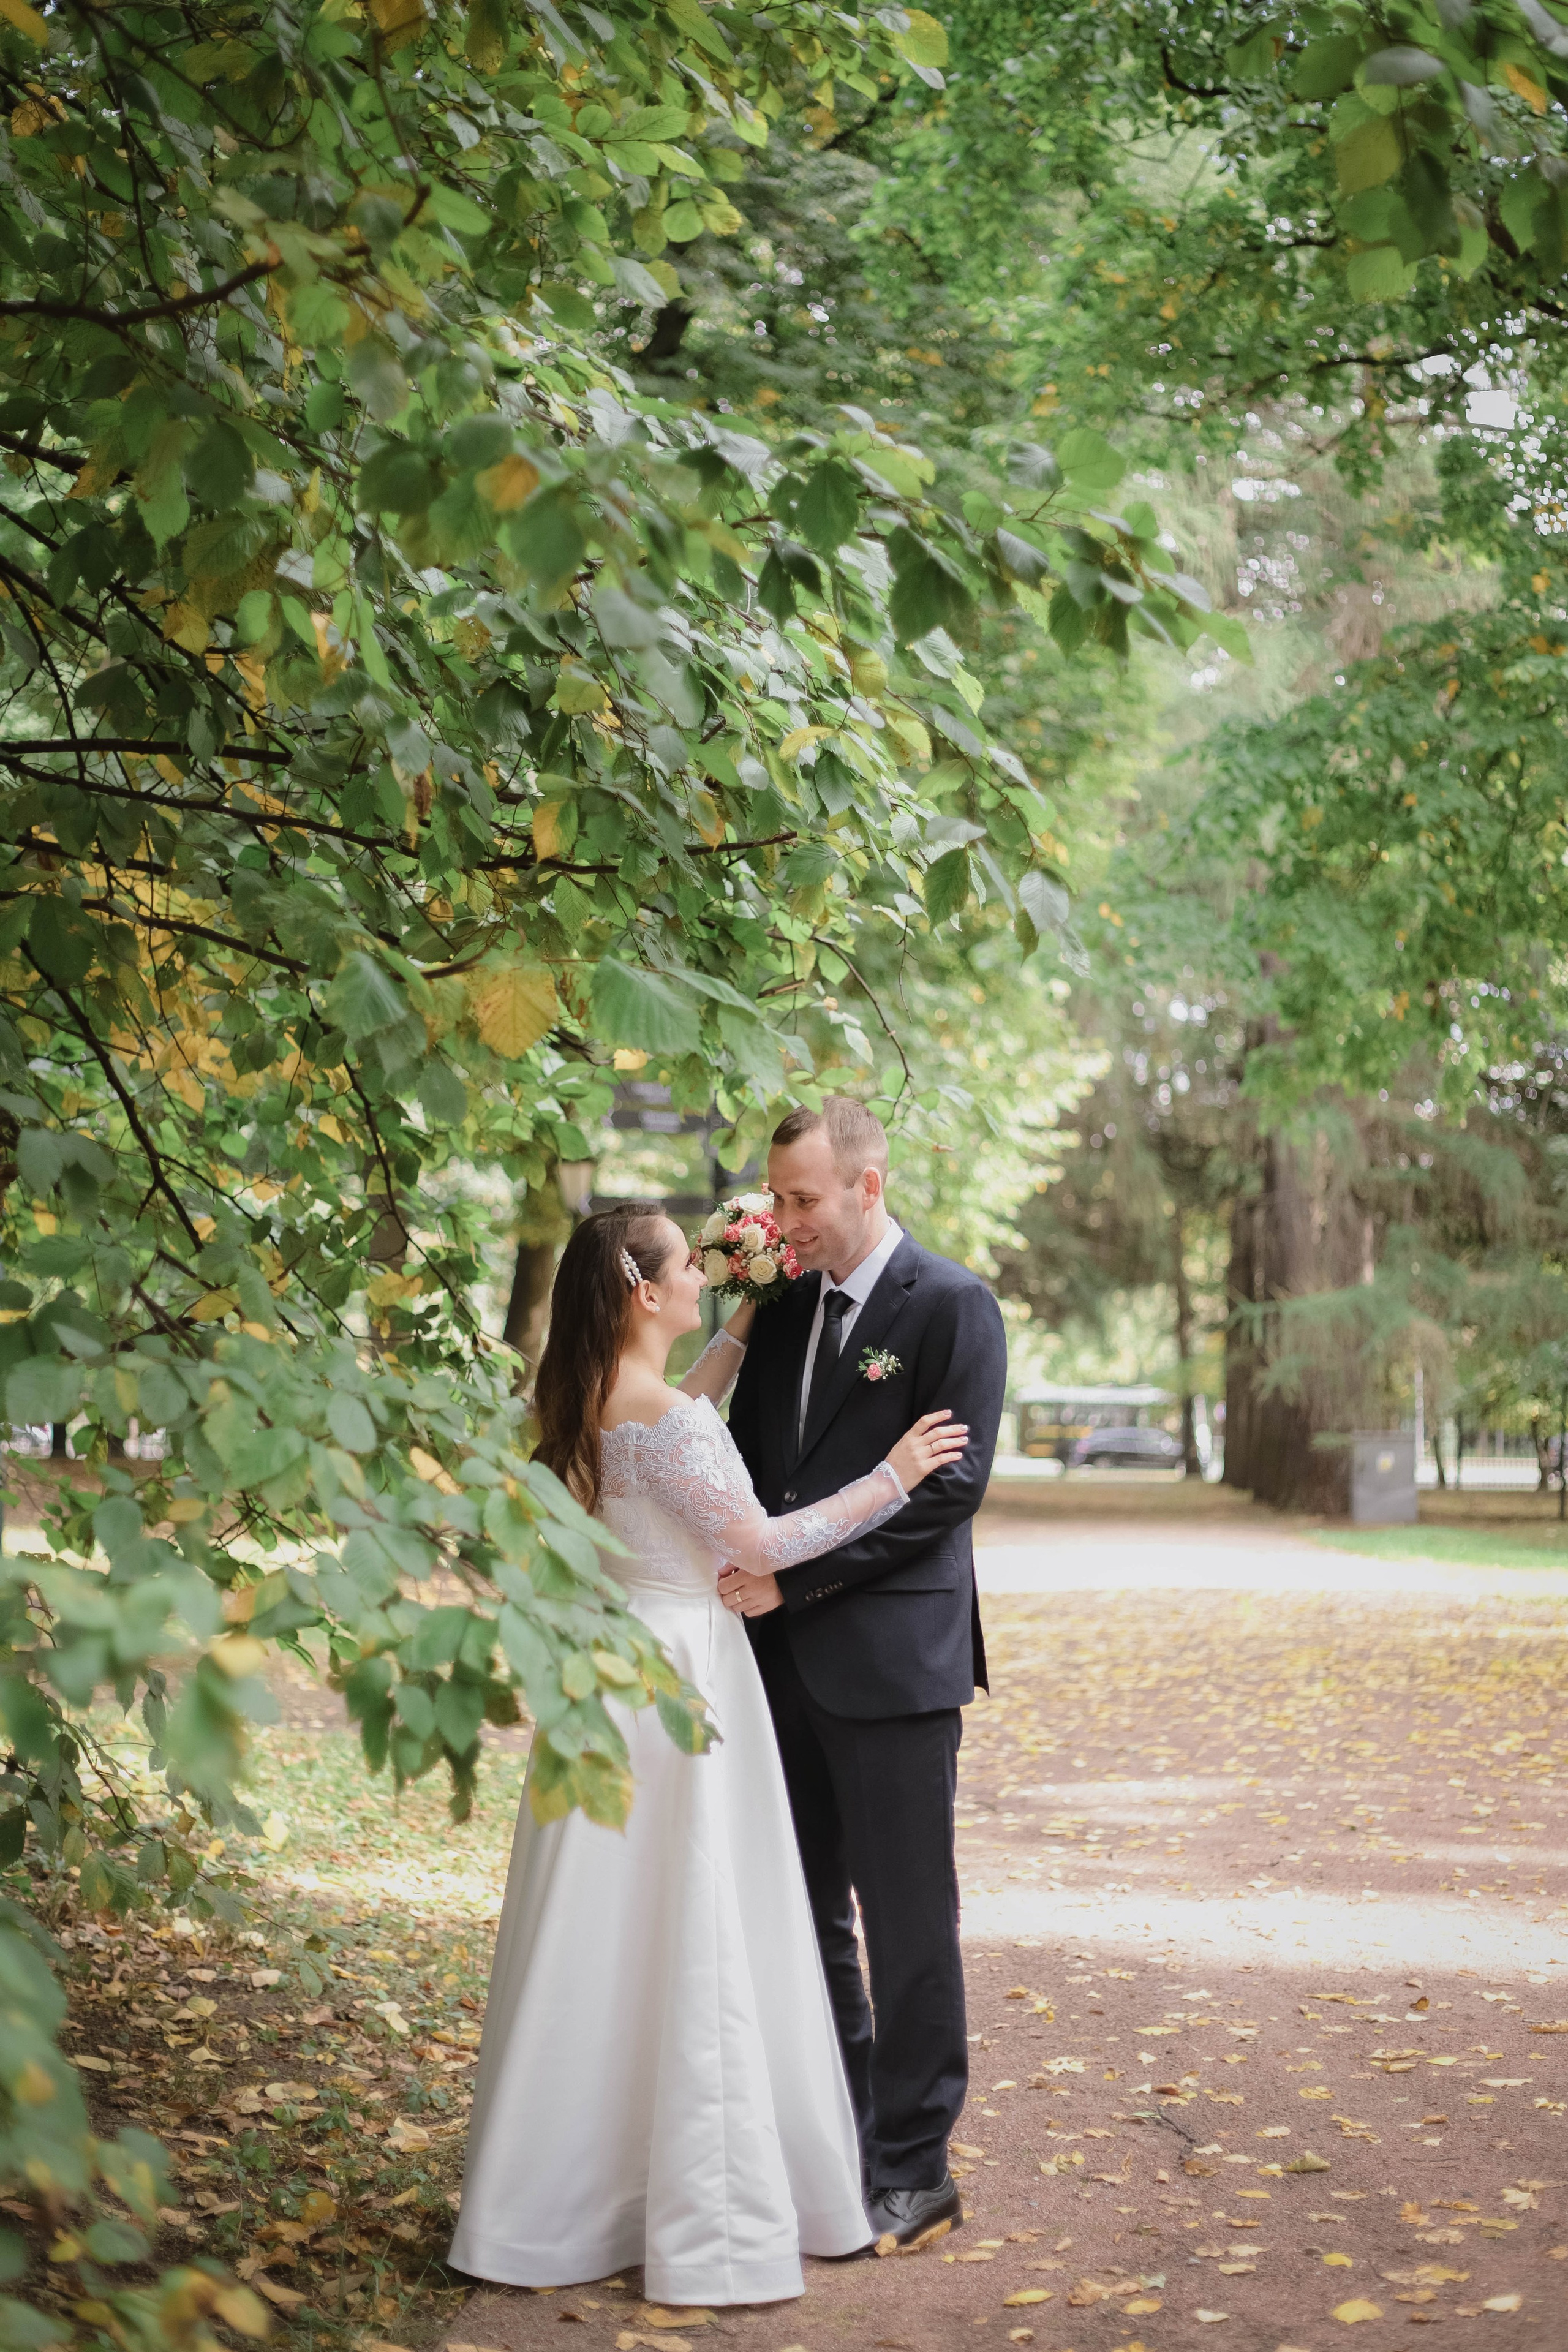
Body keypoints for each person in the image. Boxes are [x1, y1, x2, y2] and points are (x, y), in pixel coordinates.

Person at [448, 1202, 969, 2308]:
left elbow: (679, 1418)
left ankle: (557, 2193)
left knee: (600, 1934)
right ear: (643, 1292)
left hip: (609, 1672)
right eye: (689, 1269)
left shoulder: (585, 1396)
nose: (703, 1279)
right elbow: (756, 1543)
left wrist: (731, 1328)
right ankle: (704, 2206)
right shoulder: (665, 1422)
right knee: (692, 1925)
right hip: (681, 1671)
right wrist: (896, 1474)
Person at [722, 1100, 1007, 2254]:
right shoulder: (782, 1308)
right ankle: (838, 2135)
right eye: (775, 1199)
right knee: (805, 1912)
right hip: (774, 1663)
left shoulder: (950, 1307)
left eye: (802, 1200)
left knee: (906, 1919)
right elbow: (746, 1463)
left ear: (868, 1188)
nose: (783, 1221)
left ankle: (915, 2165)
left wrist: (799, 1584)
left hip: (893, 1663)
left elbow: (948, 1493)